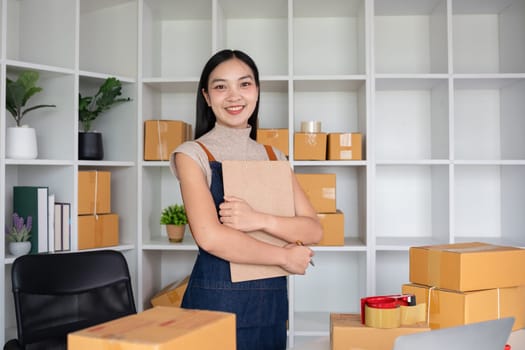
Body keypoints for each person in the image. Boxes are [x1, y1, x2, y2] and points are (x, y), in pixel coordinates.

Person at [170, 49, 322, 350]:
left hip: (272, 305)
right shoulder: (192, 154)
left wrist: (258, 219)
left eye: (244, 84)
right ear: (206, 96)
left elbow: (313, 229)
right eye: (220, 86)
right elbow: (210, 237)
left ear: (257, 90)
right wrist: (283, 256)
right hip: (216, 302)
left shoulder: (273, 156)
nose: (234, 96)